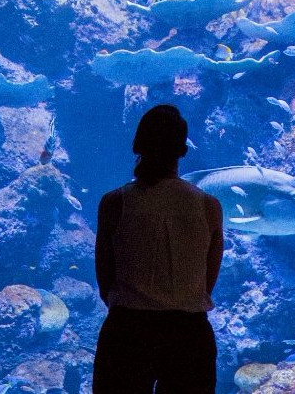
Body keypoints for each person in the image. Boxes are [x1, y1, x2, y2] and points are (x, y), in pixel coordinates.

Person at [93, 104, 224, 393]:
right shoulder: (209, 207)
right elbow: (207, 280)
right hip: (189, 334)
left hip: (128, 330)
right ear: (183, 150)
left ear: (137, 145)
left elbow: (105, 276)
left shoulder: (114, 203)